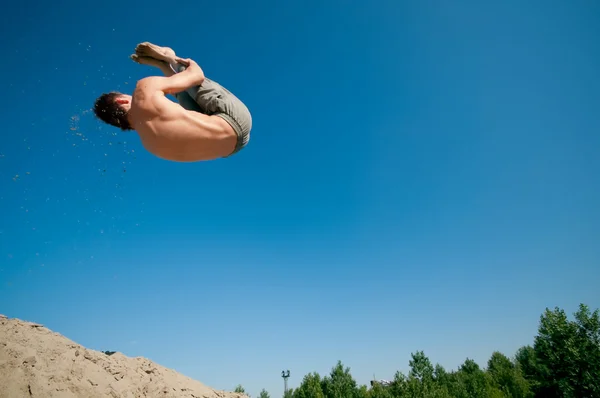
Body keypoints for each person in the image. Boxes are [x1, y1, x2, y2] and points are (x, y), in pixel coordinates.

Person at [93, 42, 252, 162]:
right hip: (236, 119)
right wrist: (186, 63)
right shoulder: (142, 90)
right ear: (121, 100)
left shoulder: (149, 145)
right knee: (189, 81)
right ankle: (170, 57)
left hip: (233, 148)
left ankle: (163, 65)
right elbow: (197, 76)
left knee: (183, 108)